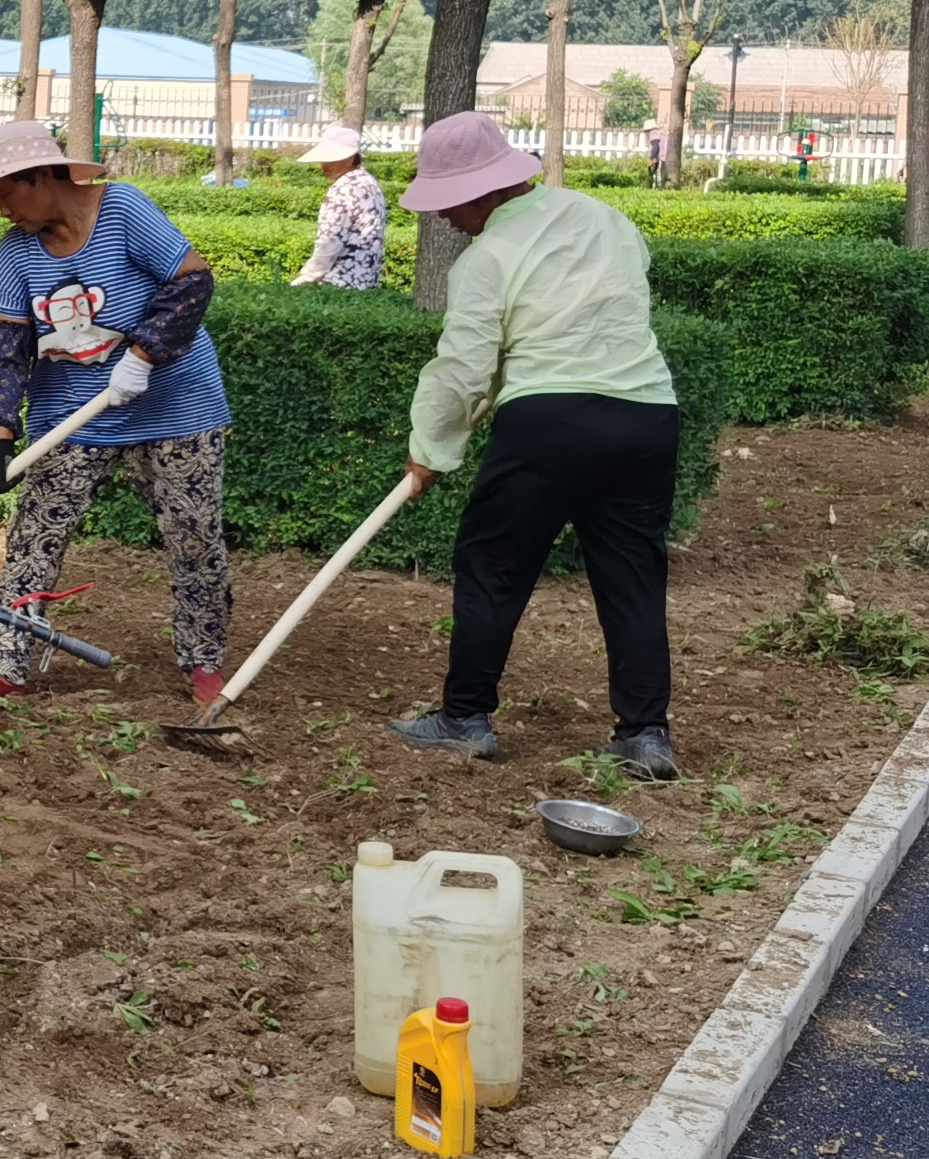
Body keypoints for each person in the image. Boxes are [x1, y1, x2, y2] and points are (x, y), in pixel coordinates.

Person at [384, 110, 683, 780]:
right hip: (647, 417)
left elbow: (463, 368)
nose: (442, 217)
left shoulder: (487, 260)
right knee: (632, 574)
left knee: (493, 564)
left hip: (550, 423)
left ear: (484, 192)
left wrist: (430, 447)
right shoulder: (606, 219)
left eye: (447, 202)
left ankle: (463, 719)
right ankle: (644, 735)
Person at [0, 118, 232, 713]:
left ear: (40, 177)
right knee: (35, 537)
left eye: (5, 194)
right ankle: (6, 665)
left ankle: (205, 660)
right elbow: (7, 346)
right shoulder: (18, 252)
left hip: (175, 404)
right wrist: (2, 435)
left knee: (195, 535)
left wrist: (142, 353)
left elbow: (193, 281)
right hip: (71, 415)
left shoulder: (124, 209)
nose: (2, 211)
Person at [288, 124, 387, 288]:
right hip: (365, 282)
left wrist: (306, 278)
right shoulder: (369, 182)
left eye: (332, 159)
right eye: (324, 158)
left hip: (337, 284)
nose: (325, 165)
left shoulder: (343, 189)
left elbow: (330, 240)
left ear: (350, 158)